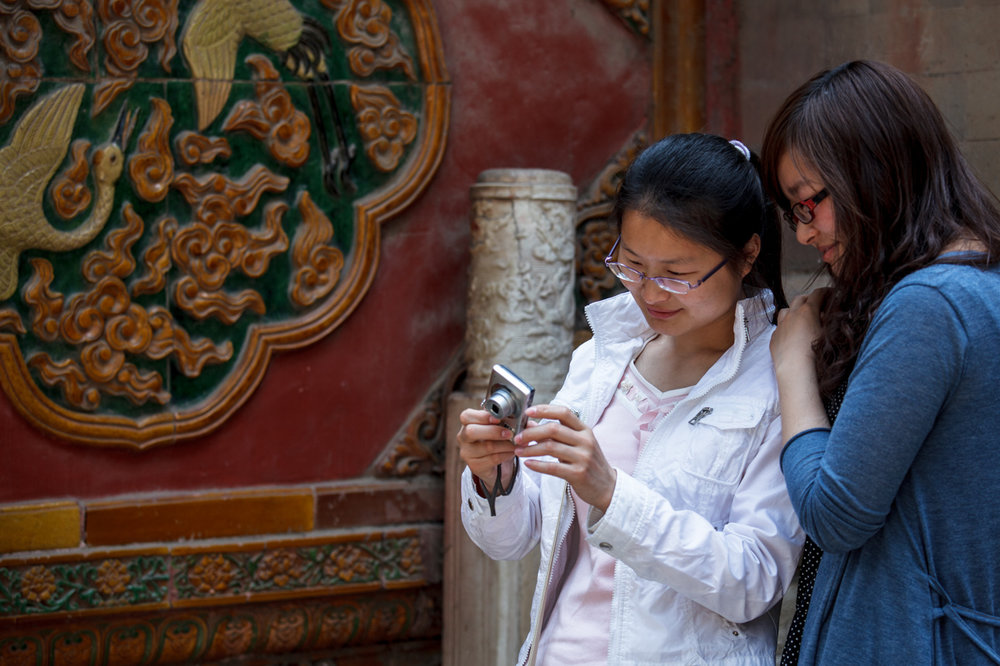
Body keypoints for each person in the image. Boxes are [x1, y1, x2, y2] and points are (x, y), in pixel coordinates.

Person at [457, 133, 804, 665]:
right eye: (633, 266)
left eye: (678, 275)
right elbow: (514, 540)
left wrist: (613, 494)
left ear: (747, 253)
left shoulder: (780, 377)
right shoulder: (601, 358)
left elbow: (753, 581)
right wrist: (494, 478)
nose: (649, 292)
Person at [761, 59, 1000, 665]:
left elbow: (834, 514)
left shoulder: (930, 304)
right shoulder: (979, 279)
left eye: (809, 203)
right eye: (793, 214)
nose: (805, 233)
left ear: (876, 173)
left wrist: (791, 362)